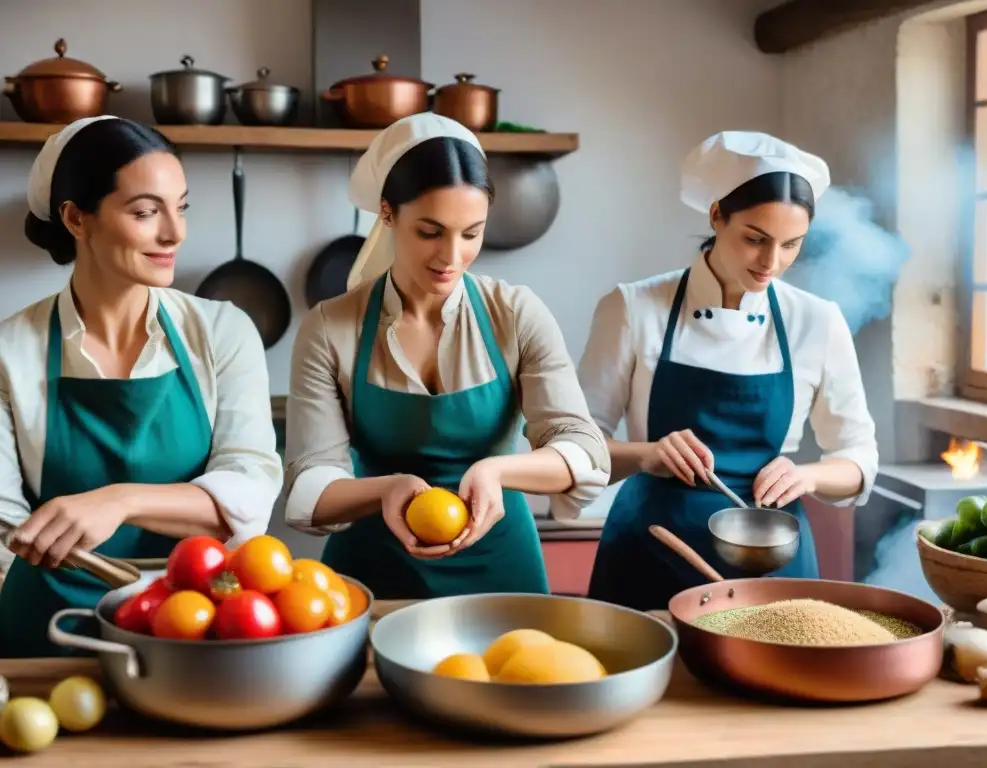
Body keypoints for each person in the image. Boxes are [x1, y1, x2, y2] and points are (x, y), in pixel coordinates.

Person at [284, 113, 610, 599]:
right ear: (389, 214)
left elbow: (584, 453)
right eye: (430, 232)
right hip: (374, 574)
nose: (451, 257)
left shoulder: (515, 314)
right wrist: (387, 490)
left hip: (503, 571)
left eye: (471, 233)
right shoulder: (332, 327)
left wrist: (497, 470)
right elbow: (310, 491)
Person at [0, 117, 282, 656]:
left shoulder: (222, 331)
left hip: (193, 623)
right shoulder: (11, 352)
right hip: (47, 631)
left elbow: (250, 490)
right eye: (147, 212)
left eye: (182, 207)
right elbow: (5, 531)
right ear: (76, 219)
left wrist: (119, 501)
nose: (175, 233)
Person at [578, 131, 879, 611]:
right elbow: (574, 448)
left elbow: (858, 457)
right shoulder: (634, 307)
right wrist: (647, 454)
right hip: (652, 546)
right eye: (755, 239)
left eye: (791, 245)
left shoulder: (817, 321)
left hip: (771, 559)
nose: (771, 262)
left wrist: (808, 477)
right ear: (717, 215)